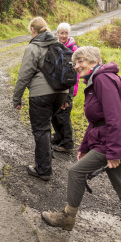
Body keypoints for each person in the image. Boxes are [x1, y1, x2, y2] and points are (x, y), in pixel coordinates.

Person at [41, 46, 121, 242]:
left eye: (81, 60)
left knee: (76, 172)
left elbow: (115, 117)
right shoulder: (96, 80)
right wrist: (84, 146)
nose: (77, 65)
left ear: (94, 60)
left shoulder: (102, 80)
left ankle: (68, 217)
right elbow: (96, 121)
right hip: (117, 141)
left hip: (113, 142)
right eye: (75, 62)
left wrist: (113, 153)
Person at [12, 17, 68, 181]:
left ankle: (43, 169)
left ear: (33, 31)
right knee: (46, 126)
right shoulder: (60, 45)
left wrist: (17, 98)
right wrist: (68, 97)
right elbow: (69, 71)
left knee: (41, 130)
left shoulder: (34, 47)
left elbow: (24, 75)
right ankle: (46, 158)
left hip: (41, 94)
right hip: (61, 93)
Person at [50, 22, 78, 154]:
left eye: (66, 33)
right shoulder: (56, 47)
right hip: (58, 86)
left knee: (64, 115)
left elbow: (75, 73)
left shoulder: (73, 49)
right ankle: (59, 137)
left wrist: (71, 93)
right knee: (55, 114)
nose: (64, 36)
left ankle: (68, 143)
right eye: (62, 33)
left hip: (69, 86)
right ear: (57, 34)